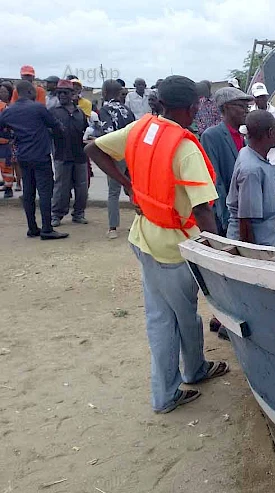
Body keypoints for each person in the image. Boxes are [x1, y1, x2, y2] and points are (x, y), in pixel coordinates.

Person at [85, 75, 228, 414]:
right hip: (176, 248)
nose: (197, 109)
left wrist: (126, 185)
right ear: (190, 107)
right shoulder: (185, 146)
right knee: (179, 319)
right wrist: (220, 255)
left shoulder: (141, 129)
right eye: (195, 105)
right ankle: (185, 378)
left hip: (144, 236)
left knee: (161, 318)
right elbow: (203, 211)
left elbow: (93, 148)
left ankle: (175, 385)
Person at [0, 81, 68, 239]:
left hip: (22, 156)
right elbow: (56, 126)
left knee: (28, 192)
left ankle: (32, 228)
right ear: (31, 91)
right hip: (40, 155)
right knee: (45, 193)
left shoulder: (9, 111)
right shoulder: (37, 108)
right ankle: (47, 229)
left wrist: (11, 136)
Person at [200, 86, 253, 234]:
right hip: (225, 215)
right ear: (227, 108)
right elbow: (216, 180)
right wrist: (225, 217)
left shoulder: (243, 137)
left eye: (247, 107)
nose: (246, 111)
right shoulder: (211, 136)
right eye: (242, 106)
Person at [226, 110, 275, 245]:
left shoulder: (249, 152)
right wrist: (250, 258)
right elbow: (246, 222)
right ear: (270, 133)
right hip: (257, 247)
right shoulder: (252, 170)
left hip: (266, 240)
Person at [98, 79, 136, 238]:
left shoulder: (105, 110)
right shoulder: (127, 109)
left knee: (113, 191)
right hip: (131, 153)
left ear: (105, 92)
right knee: (133, 188)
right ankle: (138, 222)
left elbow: (108, 133)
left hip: (116, 153)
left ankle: (113, 228)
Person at [50, 79, 89, 226]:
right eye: (59, 93)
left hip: (80, 156)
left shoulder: (80, 113)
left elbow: (87, 132)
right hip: (61, 155)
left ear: (73, 94)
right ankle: (56, 215)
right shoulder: (53, 112)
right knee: (61, 187)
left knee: (82, 188)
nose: (62, 95)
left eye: (65, 92)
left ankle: (79, 213)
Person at [250, 82, 275, 166]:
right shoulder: (250, 114)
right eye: (258, 97)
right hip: (256, 159)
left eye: (263, 96)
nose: (261, 99)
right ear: (254, 98)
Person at [0, 82, 16, 198]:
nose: (2, 94)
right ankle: (6, 184)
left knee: (6, 164)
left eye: (4, 92)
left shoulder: (11, 107)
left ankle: (9, 187)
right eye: (0, 92)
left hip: (7, 141)